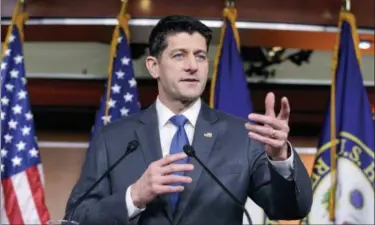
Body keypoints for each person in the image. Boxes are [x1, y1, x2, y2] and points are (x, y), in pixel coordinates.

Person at [64, 15, 313, 225]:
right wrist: (134, 196)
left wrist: (281, 158)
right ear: (153, 66)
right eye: (179, 55)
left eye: (201, 56)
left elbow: (291, 210)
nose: (193, 66)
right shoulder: (114, 137)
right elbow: (76, 216)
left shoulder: (243, 136)